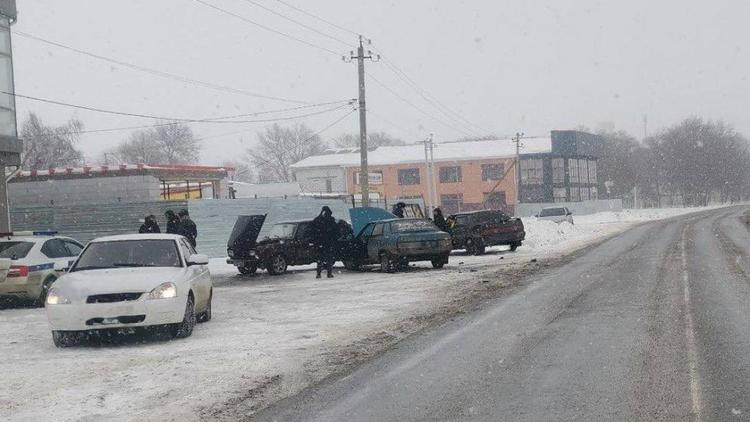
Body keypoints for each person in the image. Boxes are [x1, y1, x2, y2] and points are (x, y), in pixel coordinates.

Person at [311, 206, 339, 279]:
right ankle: (329, 273)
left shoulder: (317, 220)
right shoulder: (331, 220)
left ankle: (318, 273)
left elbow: (312, 231)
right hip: (328, 242)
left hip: (320, 243)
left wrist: (315, 240)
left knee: (320, 259)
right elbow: (336, 231)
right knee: (329, 259)